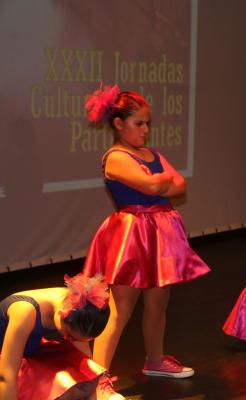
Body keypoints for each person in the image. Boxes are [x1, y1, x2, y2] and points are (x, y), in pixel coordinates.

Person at [82, 84, 211, 397]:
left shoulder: (151, 154)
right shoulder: (115, 157)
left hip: (160, 233)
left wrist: (161, 183)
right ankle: (97, 381)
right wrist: (160, 183)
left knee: (158, 302)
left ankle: (155, 360)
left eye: (148, 123)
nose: (146, 129)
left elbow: (178, 186)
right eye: (139, 123)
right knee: (121, 308)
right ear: (118, 124)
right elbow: (154, 187)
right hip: (133, 234)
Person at [0, 273, 110, 400]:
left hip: (30, 351)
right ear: (62, 314)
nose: (69, 340)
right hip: (6, 362)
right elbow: (6, 375)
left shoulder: (77, 303)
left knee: (87, 383)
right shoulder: (25, 313)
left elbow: (88, 368)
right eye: (70, 336)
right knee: (60, 393)